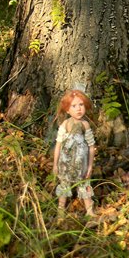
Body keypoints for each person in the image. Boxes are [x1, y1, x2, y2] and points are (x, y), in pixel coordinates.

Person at [53, 89, 96, 218]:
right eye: (74, 106)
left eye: (81, 105)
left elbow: (91, 146)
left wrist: (90, 166)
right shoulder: (65, 124)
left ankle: (89, 211)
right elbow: (58, 145)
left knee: (84, 184)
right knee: (64, 184)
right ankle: (60, 210)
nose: (78, 109)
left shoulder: (85, 125)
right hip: (65, 162)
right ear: (67, 110)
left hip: (81, 163)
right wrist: (55, 164)